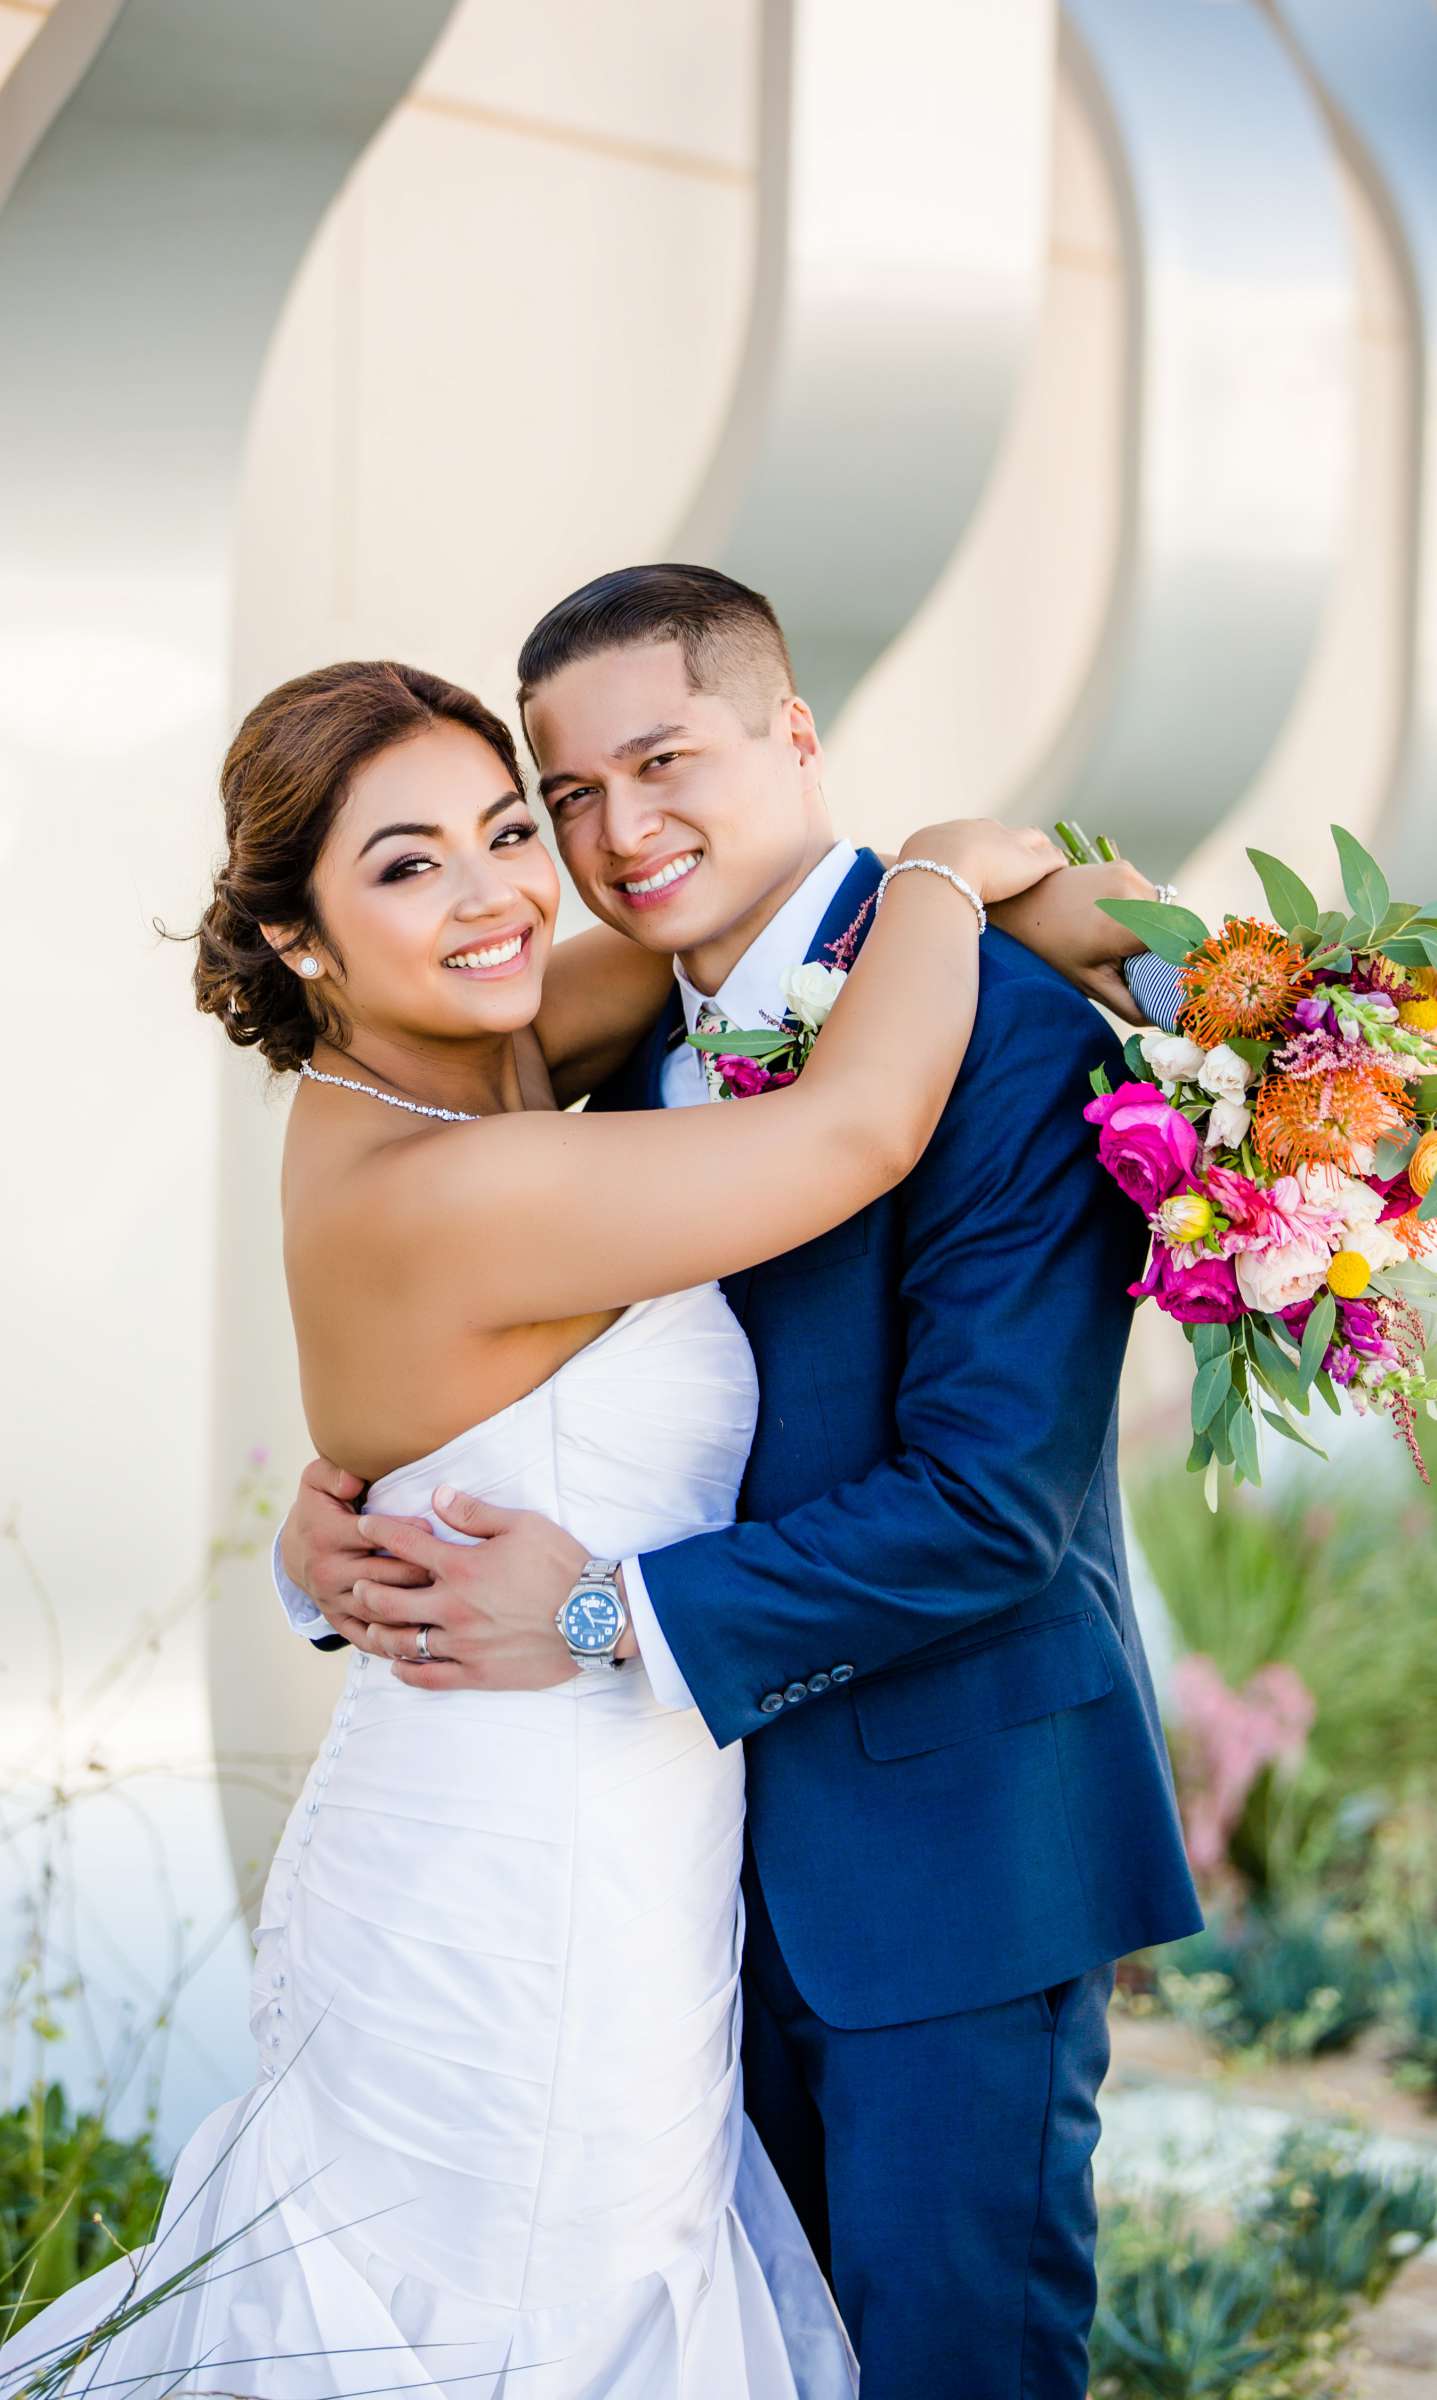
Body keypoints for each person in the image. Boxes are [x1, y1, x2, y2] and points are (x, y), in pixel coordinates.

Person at [0, 654, 1071, 2399]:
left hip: (589, 1824)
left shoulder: (475, 1059)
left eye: (508, 827)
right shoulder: (450, 1181)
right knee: (514, 2311)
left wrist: (1098, 912)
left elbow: (716, 943)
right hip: (519, 1871)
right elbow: (857, 1125)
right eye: (405, 865)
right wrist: (945, 869)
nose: (496, 891)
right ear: (296, 939)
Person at [279, 567, 1204, 2400]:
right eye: (572, 800)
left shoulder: (1007, 1037)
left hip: (940, 1866)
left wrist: (600, 1615)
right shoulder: (604, 1051)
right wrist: (354, 1521)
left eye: (665, 759)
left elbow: (988, 1509)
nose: (620, 835)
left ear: (791, 735)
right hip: (652, 1887)